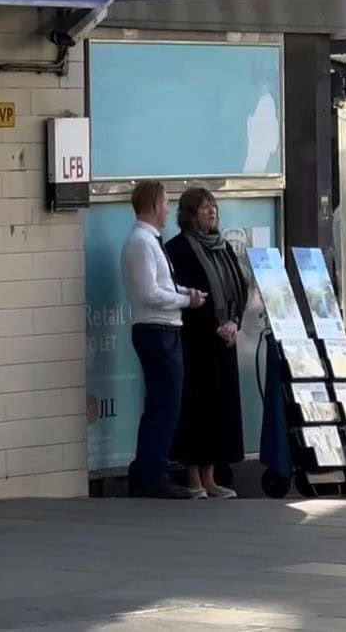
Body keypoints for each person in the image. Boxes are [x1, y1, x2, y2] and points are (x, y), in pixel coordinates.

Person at [121, 180, 207, 499]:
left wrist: (186, 293)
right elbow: (149, 293)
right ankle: (150, 475)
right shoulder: (141, 243)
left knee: (163, 403)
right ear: (154, 205)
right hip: (156, 331)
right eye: (166, 203)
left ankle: (151, 469)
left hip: (164, 329)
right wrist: (186, 302)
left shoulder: (151, 242)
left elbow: (163, 284)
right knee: (164, 405)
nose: (169, 209)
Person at [166, 186, 250, 500]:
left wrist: (234, 322)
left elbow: (239, 286)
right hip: (196, 340)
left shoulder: (223, 246)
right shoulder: (179, 249)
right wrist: (214, 326)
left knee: (220, 409)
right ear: (189, 214)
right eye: (203, 208)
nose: (211, 212)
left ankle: (211, 477)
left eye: (213, 206)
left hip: (225, 340)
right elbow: (184, 292)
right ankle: (193, 478)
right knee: (196, 407)